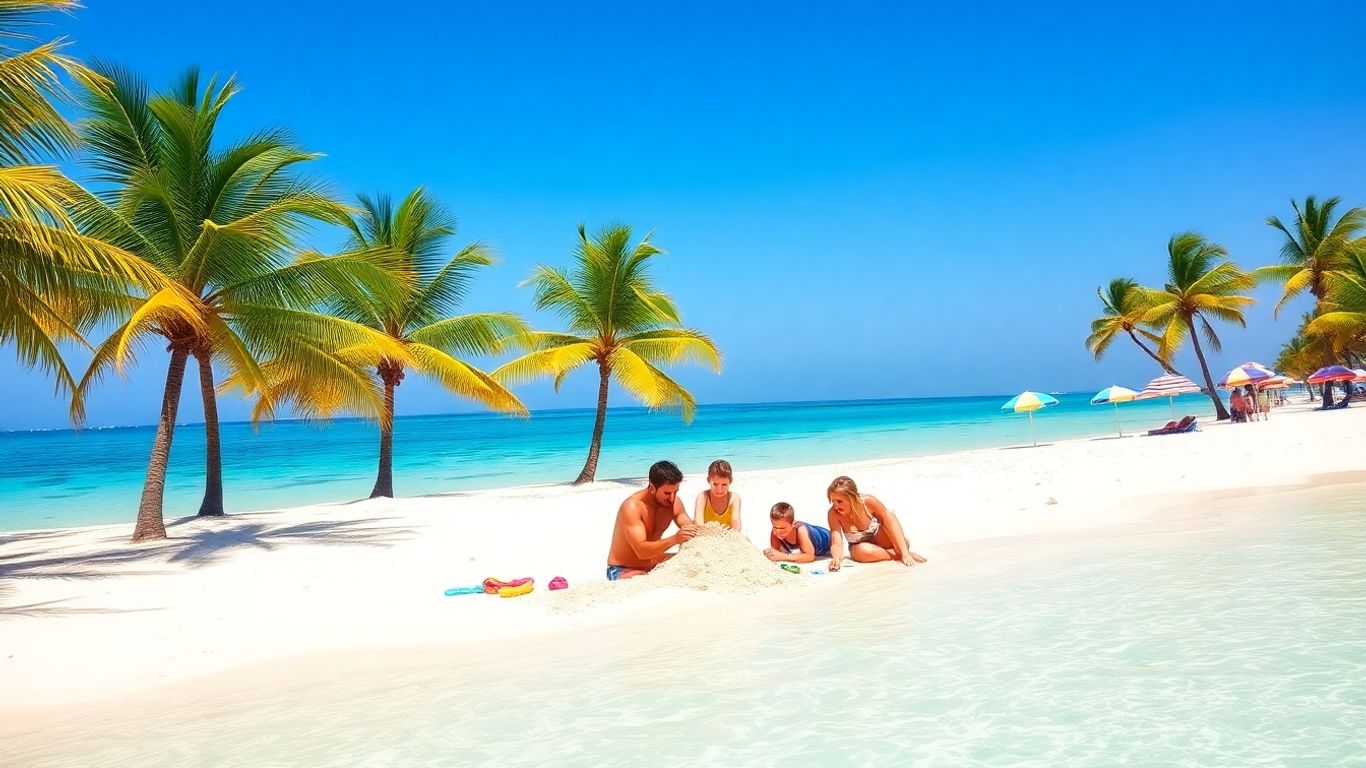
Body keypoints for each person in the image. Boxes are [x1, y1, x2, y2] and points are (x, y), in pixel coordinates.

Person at [605, 460, 699, 580]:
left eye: (675, 492)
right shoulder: (632, 507)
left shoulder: (673, 502)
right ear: (652, 487)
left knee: (695, 562)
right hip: (623, 569)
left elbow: (691, 529)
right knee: (642, 580)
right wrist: (674, 539)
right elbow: (641, 551)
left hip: (655, 564)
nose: (672, 498)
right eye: (667, 493)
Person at [826, 475, 926, 570]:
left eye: (839, 501)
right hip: (865, 550)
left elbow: (889, 521)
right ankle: (897, 554)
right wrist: (836, 558)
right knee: (859, 551)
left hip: (883, 540)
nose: (835, 506)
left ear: (852, 498)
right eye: (832, 501)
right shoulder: (833, 514)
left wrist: (905, 553)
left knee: (888, 515)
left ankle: (903, 552)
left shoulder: (868, 502)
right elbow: (836, 540)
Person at [764, 502, 832, 563]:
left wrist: (785, 556)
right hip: (814, 545)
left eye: (782, 528)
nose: (778, 531)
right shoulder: (775, 531)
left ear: (793, 523)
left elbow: (810, 557)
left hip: (828, 538)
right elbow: (776, 553)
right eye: (775, 527)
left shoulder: (801, 530)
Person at [693, 459, 742, 532]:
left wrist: (733, 535)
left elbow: (736, 522)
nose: (719, 490)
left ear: (731, 481)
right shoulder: (703, 497)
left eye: (724, 485)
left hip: (727, 536)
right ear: (708, 480)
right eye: (715, 484)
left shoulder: (734, 498)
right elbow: (698, 523)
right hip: (706, 535)